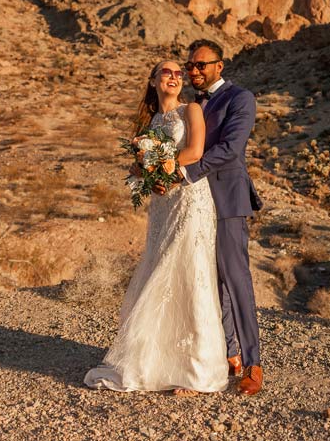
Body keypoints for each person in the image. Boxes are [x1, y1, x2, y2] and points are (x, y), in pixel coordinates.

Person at [84, 60, 227, 395]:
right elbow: (140, 169)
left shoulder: (191, 109)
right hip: (163, 204)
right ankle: (156, 363)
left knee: (189, 272)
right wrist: (148, 176)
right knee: (159, 270)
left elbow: (194, 151)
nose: (175, 77)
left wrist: (168, 173)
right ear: (153, 81)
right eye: (167, 72)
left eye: (180, 73)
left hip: (191, 198)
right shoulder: (151, 122)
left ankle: (197, 371)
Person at [181, 39, 264, 396]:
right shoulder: (192, 105)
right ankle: (227, 355)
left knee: (236, 280)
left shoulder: (240, 98)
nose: (195, 71)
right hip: (197, 203)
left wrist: (187, 173)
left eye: (202, 65)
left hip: (227, 199)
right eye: (191, 66)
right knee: (212, 283)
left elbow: (231, 149)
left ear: (220, 66)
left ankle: (253, 363)